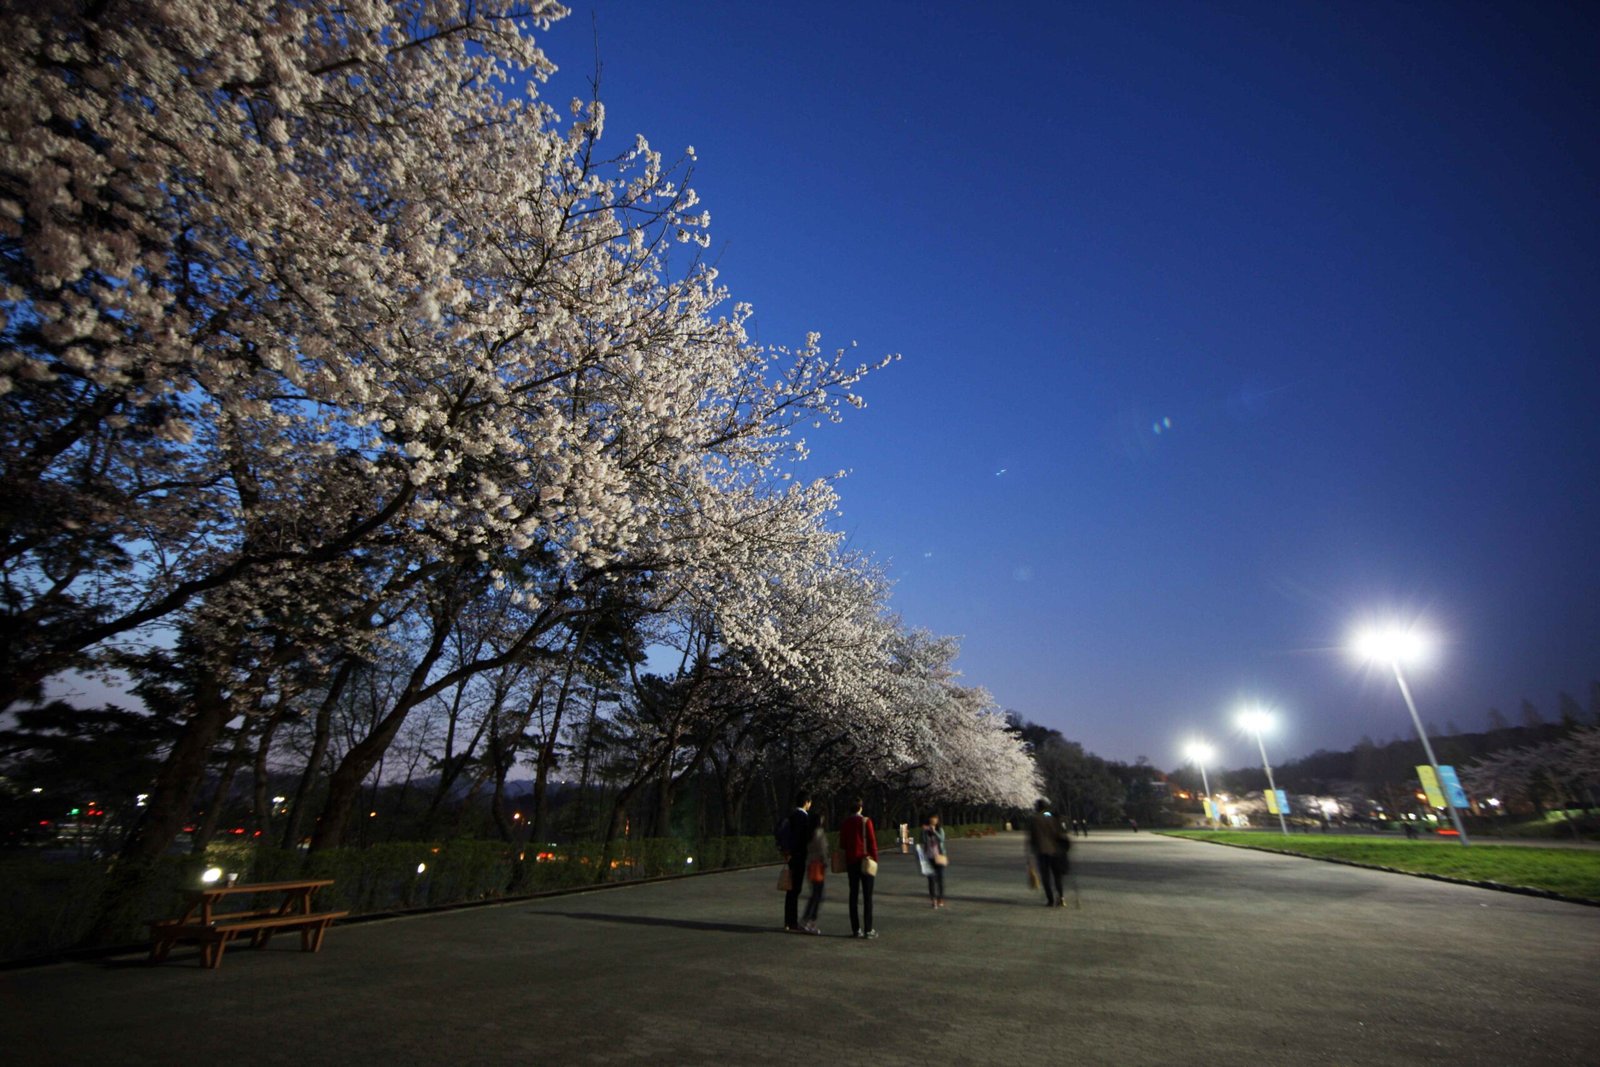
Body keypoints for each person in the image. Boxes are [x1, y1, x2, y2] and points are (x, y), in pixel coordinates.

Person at [839, 798, 879, 938]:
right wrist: (875, 859)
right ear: (861, 807)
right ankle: (868, 929)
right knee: (867, 896)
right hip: (865, 860)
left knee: (853, 895)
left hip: (851, 862)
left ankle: (856, 929)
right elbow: (872, 843)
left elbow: (842, 844)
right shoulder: (866, 821)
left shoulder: (845, 823)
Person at [1028, 798, 1072, 907]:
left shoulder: (1034, 820)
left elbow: (1032, 838)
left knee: (1045, 876)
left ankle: (1050, 899)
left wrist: (1031, 851)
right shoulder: (1053, 818)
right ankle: (1061, 898)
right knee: (1057, 876)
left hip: (1042, 852)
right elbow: (1061, 833)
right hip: (1056, 851)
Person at [781, 790, 814, 932]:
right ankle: (793, 922)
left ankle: (788, 921)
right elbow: (806, 838)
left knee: (790, 891)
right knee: (796, 889)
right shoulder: (804, 818)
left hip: (790, 855)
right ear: (806, 802)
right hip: (800, 856)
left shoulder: (791, 816)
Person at [800, 809, 829, 934]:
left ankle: (805, 920)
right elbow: (823, 850)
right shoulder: (819, 833)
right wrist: (825, 862)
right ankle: (811, 921)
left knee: (814, 895)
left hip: (810, 864)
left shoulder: (809, 833)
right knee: (818, 895)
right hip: (818, 865)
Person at [920, 813, 947, 907]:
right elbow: (923, 841)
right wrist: (924, 831)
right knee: (931, 880)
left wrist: (935, 831)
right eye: (931, 820)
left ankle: (941, 898)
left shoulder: (940, 829)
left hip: (939, 857)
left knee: (940, 879)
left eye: (935, 820)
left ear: (937, 821)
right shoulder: (926, 831)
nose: (933, 822)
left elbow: (942, 839)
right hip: (929, 858)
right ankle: (933, 899)